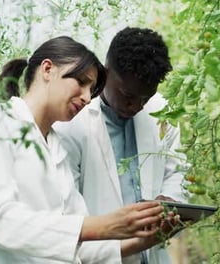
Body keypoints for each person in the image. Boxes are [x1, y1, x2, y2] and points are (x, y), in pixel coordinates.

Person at [0, 36, 167, 263]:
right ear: (48, 69)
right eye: (82, 81)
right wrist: (105, 225)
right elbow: (1, 220)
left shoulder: (57, 147)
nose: (87, 98)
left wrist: (142, 240)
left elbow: (76, 246)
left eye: (92, 89)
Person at [54, 27, 187, 264]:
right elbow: (67, 215)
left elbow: (176, 171)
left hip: (154, 255)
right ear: (106, 72)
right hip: (99, 257)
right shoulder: (72, 123)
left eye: (145, 98)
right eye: (127, 95)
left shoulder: (162, 112)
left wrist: (170, 198)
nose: (136, 106)